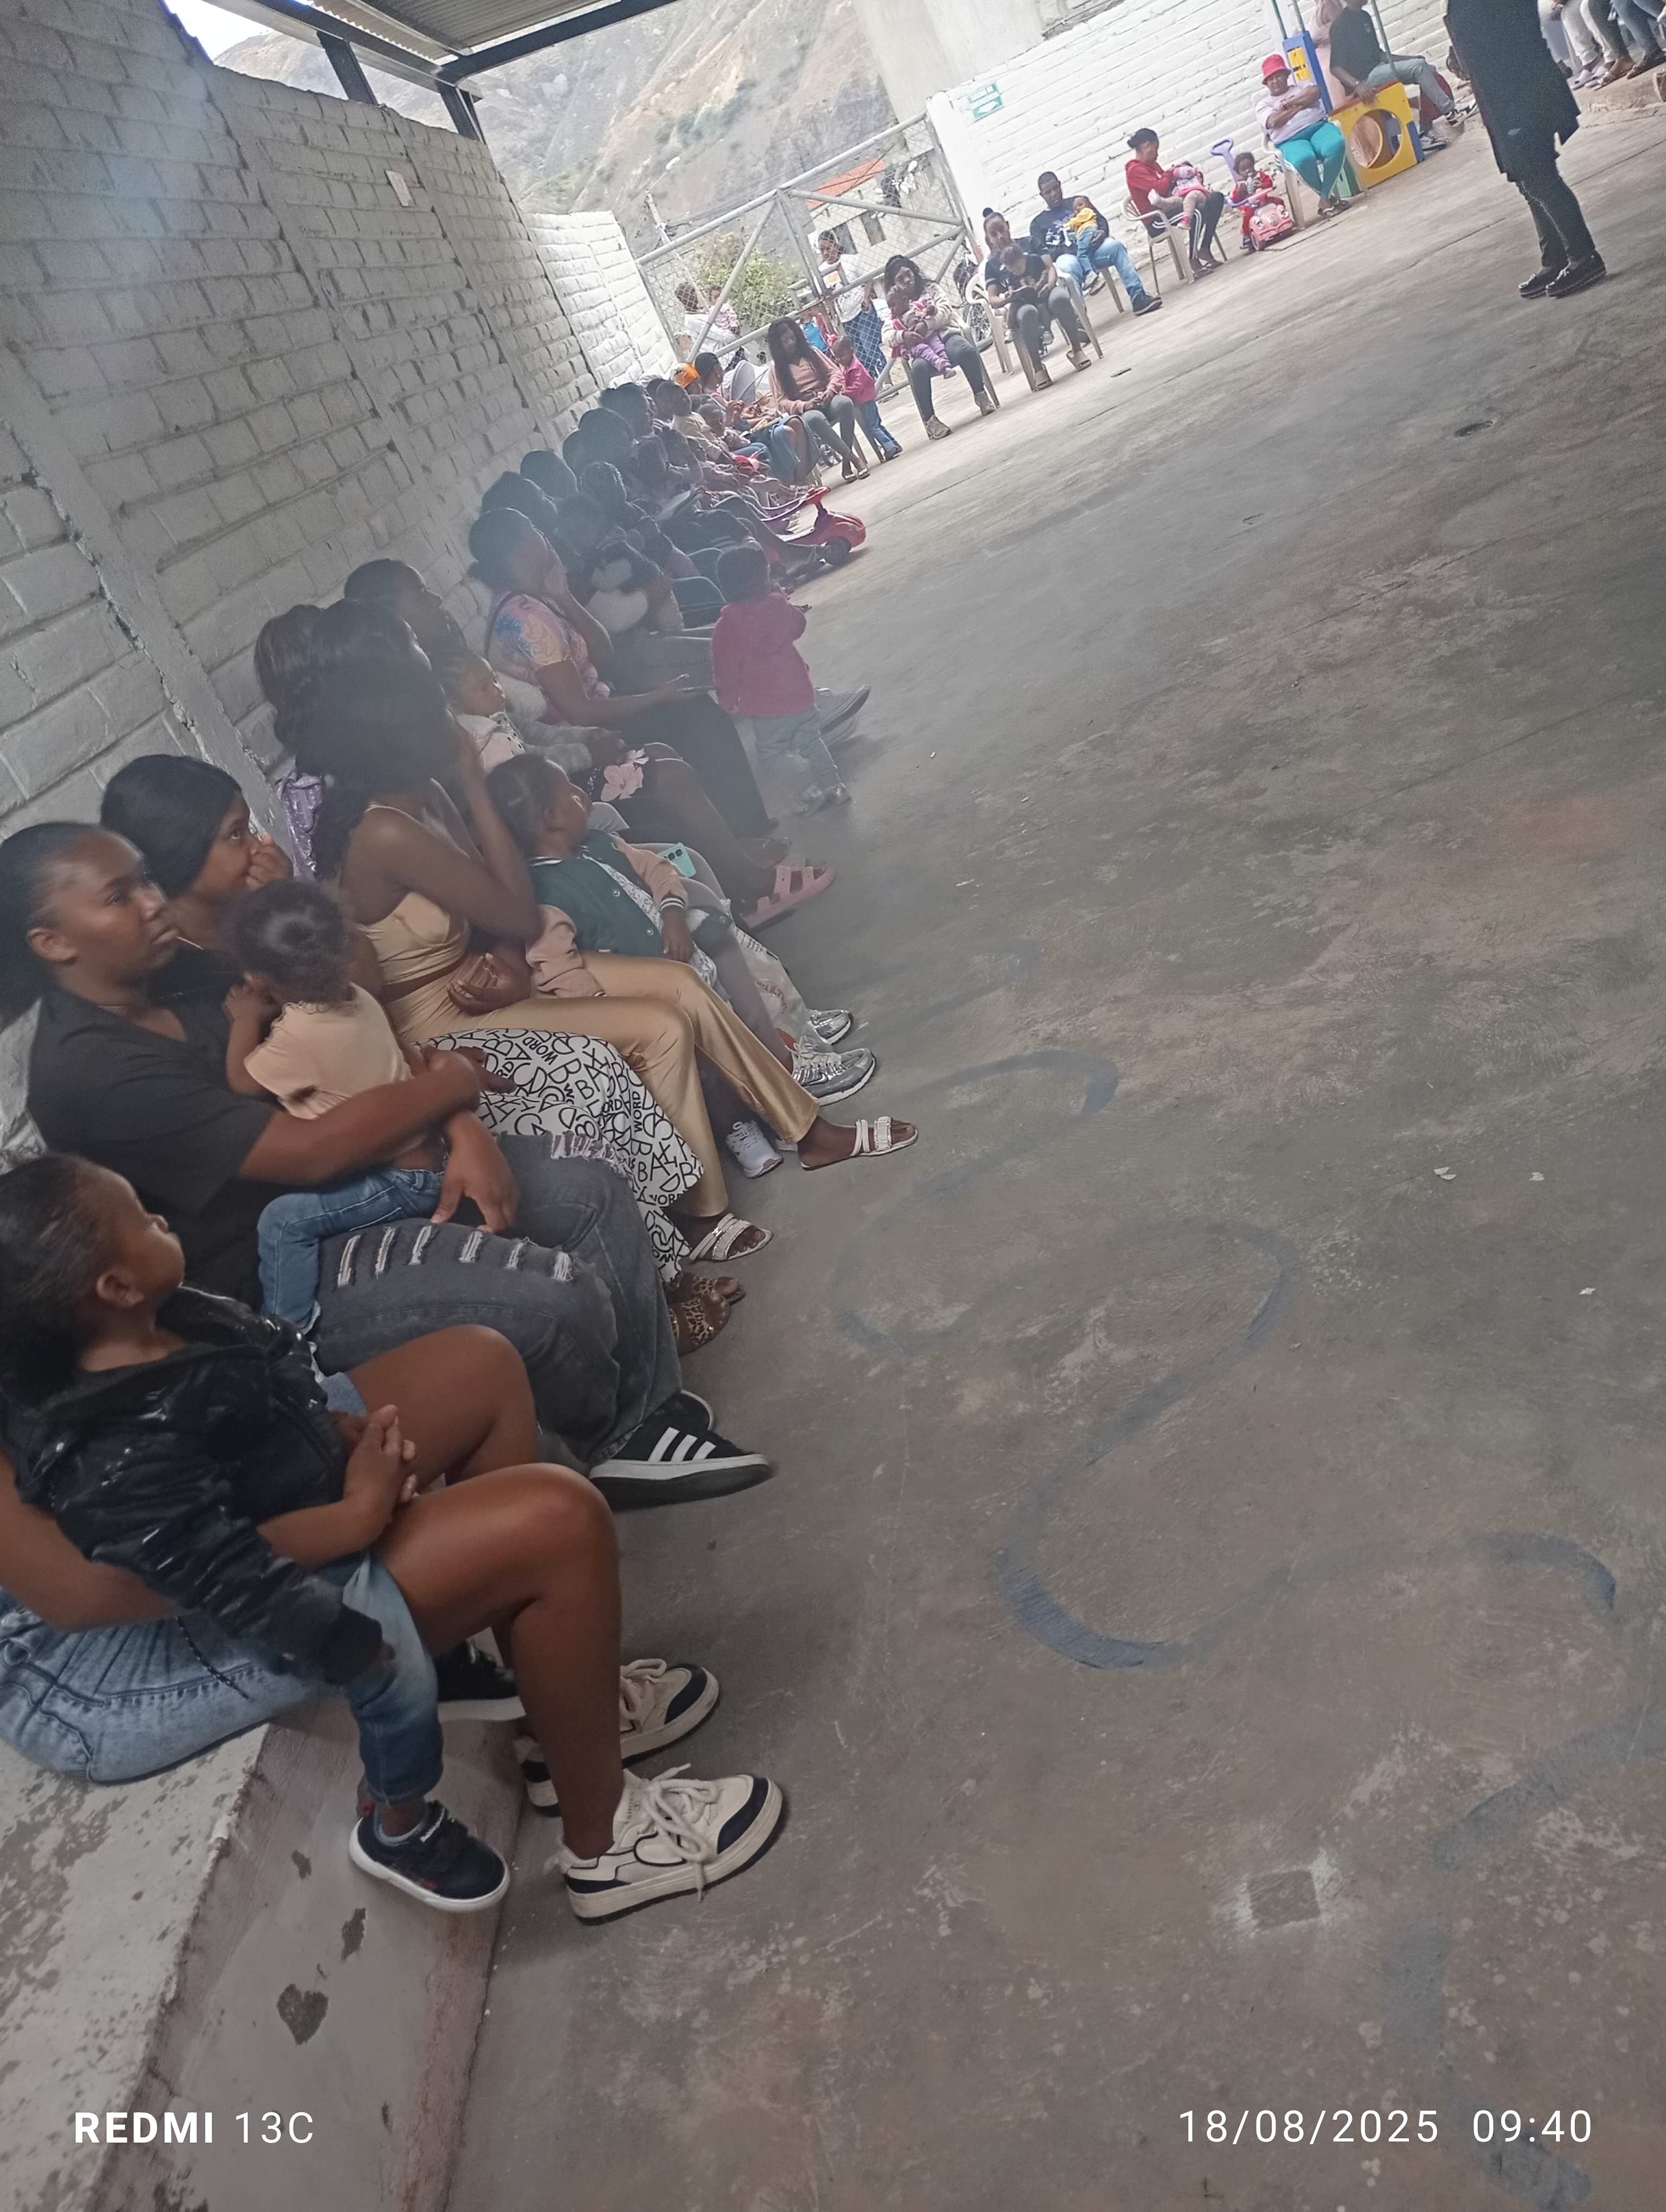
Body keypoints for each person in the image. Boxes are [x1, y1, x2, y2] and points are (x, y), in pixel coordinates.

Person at [0, 1160, 784, 1920]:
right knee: (559, 1520)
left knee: (481, 1365)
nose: (158, 1219)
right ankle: (609, 1843)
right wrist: (352, 1515)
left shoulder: (119, 1317)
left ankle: (559, 1721)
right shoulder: (98, 1425)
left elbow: (232, 1390)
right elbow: (94, 1589)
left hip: (208, 1487)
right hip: (112, 1639)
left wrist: (327, 1435)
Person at [1, 819, 762, 1502]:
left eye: (145, 880)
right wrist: (454, 1084)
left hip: (377, 1177)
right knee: (550, 1298)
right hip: (285, 1267)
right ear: (53, 943)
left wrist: (461, 1126)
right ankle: (611, 1431)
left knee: (588, 1188)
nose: (152, 902)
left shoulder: (190, 972)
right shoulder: (90, 1071)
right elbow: (309, 1153)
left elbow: (355, 1027)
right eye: (120, 896)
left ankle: (641, 1421)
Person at [225, 880, 447, 1329]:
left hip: (399, 1182)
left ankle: (289, 1335)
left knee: (282, 1222)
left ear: (257, 979)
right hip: (429, 1158)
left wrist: (245, 1020)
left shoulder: (298, 1038)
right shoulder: (359, 998)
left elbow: (242, 1082)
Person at [1447, 0, 1605, 294]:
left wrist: (1469, 55)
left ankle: (1583, 256)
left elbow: (1507, 37)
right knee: (1526, 179)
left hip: (1520, 92)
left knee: (1539, 176)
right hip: (1502, 95)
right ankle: (1555, 257)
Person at [100, 754, 291, 952]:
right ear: (181, 854)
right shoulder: (170, 964)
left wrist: (284, 900)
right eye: (235, 834)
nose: (258, 846)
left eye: (249, 829)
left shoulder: (251, 917)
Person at [712, 546, 849, 815]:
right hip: (799, 693)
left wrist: (728, 699)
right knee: (812, 741)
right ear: (764, 579)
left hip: (765, 707)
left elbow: (724, 668)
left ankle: (810, 791)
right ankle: (835, 787)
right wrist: (782, 602)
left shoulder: (726, 628)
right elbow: (799, 627)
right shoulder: (779, 608)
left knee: (772, 753)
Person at [882, 255, 996, 441]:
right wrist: (903, 336)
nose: (907, 280)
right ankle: (931, 421)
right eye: (900, 279)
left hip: (946, 336)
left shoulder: (931, 289)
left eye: (908, 274)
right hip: (922, 350)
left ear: (914, 272)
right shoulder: (895, 304)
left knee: (965, 351)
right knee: (918, 369)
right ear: (894, 285)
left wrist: (927, 324)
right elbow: (887, 335)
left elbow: (945, 310)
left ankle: (981, 394)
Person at [1327, 0, 1464, 142]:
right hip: (1365, 78)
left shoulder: (1365, 16)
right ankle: (1451, 112)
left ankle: (1425, 129)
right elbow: (1335, 67)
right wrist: (1357, 85)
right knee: (1419, 68)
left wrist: (1409, 59)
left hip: (1379, 68)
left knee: (1427, 69)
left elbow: (1380, 54)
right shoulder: (1340, 24)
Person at [1026, 171, 1161, 313]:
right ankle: (1080, 317)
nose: (1054, 194)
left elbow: (1101, 221)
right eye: (1048, 192)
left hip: (1093, 251)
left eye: (1056, 188)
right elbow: (1042, 254)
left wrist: (1102, 233)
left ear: (1060, 185)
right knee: (1068, 267)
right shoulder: (1038, 223)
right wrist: (1065, 250)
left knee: (1116, 247)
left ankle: (1138, 298)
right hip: (1068, 258)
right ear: (1042, 195)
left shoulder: (1078, 203)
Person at [981, 213, 1092, 384]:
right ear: (989, 239)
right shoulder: (992, 265)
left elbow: (1050, 267)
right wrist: (1008, 299)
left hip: (1045, 292)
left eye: (1002, 229)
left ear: (1008, 226)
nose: (1000, 236)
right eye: (994, 235)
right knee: (1028, 314)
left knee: (1060, 298)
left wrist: (1050, 284)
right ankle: (1038, 368)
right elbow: (993, 299)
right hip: (1021, 303)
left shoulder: (1030, 243)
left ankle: (1077, 351)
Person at [764, 319, 867, 481]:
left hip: (826, 398)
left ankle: (847, 464)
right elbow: (781, 402)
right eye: (785, 341)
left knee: (845, 403)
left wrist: (830, 391)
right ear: (778, 345)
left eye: (792, 338)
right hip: (806, 409)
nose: (791, 343)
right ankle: (853, 458)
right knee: (814, 418)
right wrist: (804, 405)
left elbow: (835, 373)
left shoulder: (812, 353)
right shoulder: (776, 370)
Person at [1257, 54, 1354, 216]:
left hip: (1318, 127)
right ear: (1266, 83)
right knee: (1303, 159)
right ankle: (1329, 198)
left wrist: (1288, 104)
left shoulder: (1301, 86)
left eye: (1279, 75)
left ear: (1287, 75)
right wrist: (1301, 105)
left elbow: (1315, 92)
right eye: (1271, 79)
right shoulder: (1264, 105)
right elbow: (1274, 121)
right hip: (1289, 141)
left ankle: (1325, 198)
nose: (1275, 81)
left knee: (1336, 145)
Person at [1124, 130, 1227, 278]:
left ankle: (1204, 248)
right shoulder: (1135, 171)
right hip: (1157, 219)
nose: (1157, 154)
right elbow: (1160, 187)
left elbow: (1167, 186)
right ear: (1147, 147)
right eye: (1156, 149)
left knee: (1216, 198)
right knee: (1196, 212)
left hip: (1170, 207)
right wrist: (1170, 173)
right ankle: (1193, 259)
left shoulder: (1152, 165)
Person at [828, 334, 901, 462]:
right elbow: (845, 380)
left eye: (842, 355)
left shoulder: (856, 367)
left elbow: (858, 386)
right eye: (836, 357)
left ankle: (889, 447)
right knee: (876, 424)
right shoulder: (847, 367)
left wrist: (846, 393)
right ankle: (894, 444)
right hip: (862, 399)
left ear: (851, 350)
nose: (839, 359)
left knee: (872, 427)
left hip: (866, 399)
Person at [1229, 150, 1298, 250]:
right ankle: (1247, 235)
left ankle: (1285, 218)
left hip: (1265, 201)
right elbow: (1235, 198)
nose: (1248, 171)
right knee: (1248, 216)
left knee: (1279, 202)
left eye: (1249, 167)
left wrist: (1262, 185)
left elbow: (1269, 182)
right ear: (1239, 172)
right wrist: (1241, 192)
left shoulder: (1260, 175)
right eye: (1243, 170)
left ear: (1253, 165)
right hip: (1252, 205)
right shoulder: (1241, 184)